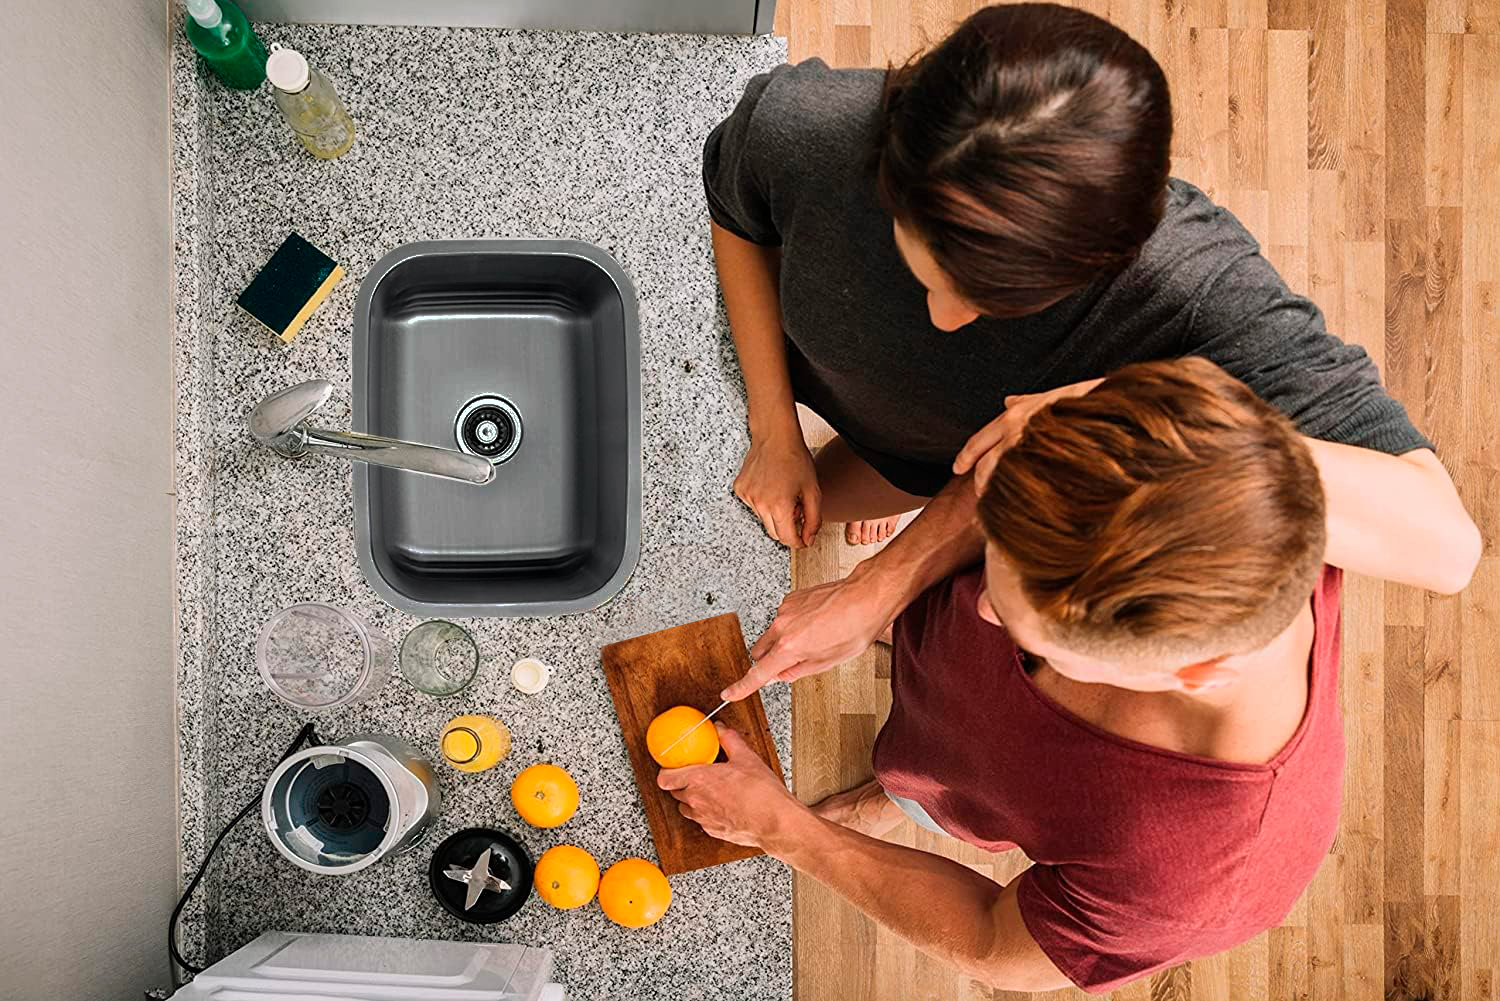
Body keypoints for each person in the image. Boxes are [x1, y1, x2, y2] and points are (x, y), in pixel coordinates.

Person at [707, 3, 1477, 590]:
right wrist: (775, 427)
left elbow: (1444, 545)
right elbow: (737, 211)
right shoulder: (808, 131)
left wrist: (1140, 417)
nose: (942, 319)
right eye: (925, 268)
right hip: (854, 409)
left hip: (941, 468)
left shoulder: (1190, 285)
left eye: (1001, 299)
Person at [662, 359, 1355, 992]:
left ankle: (899, 799)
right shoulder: (1216, 461)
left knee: (923, 795)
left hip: (972, 783)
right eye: (1002, 556)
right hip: (935, 679)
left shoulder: (1185, 882)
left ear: (1195, 671)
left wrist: (791, 831)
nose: (980, 607)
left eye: (1041, 635)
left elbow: (994, 940)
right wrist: (881, 585)